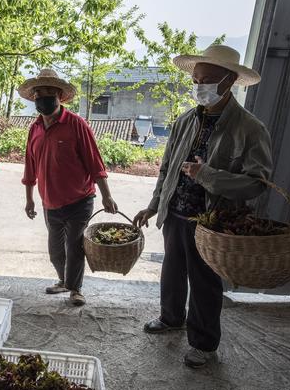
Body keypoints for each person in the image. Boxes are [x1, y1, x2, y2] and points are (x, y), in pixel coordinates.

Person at [133, 45, 273, 368]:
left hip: (212, 223)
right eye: (197, 79)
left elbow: (257, 183)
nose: (200, 86)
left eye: (208, 79)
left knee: (205, 283)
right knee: (172, 270)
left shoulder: (250, 129)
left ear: (230, 81)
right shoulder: (185, 121)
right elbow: (167, 168)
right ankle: (170, 317)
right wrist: (154, 205)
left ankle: (204, 344)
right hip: (176, 214)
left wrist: (208, 176)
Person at [19, 69, 119, 307]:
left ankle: (75, 289)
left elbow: (95, 163)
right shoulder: (34, 129)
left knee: (74, 247)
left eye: (49, 92)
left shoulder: (76, 124)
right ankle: (64, 281)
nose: (43, 97)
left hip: (79, 200)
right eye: (39, 93)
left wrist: (107, 196)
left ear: (60, 96)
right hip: (49, 202)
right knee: (55, 251)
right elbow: (30, 167)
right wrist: (30, 199)